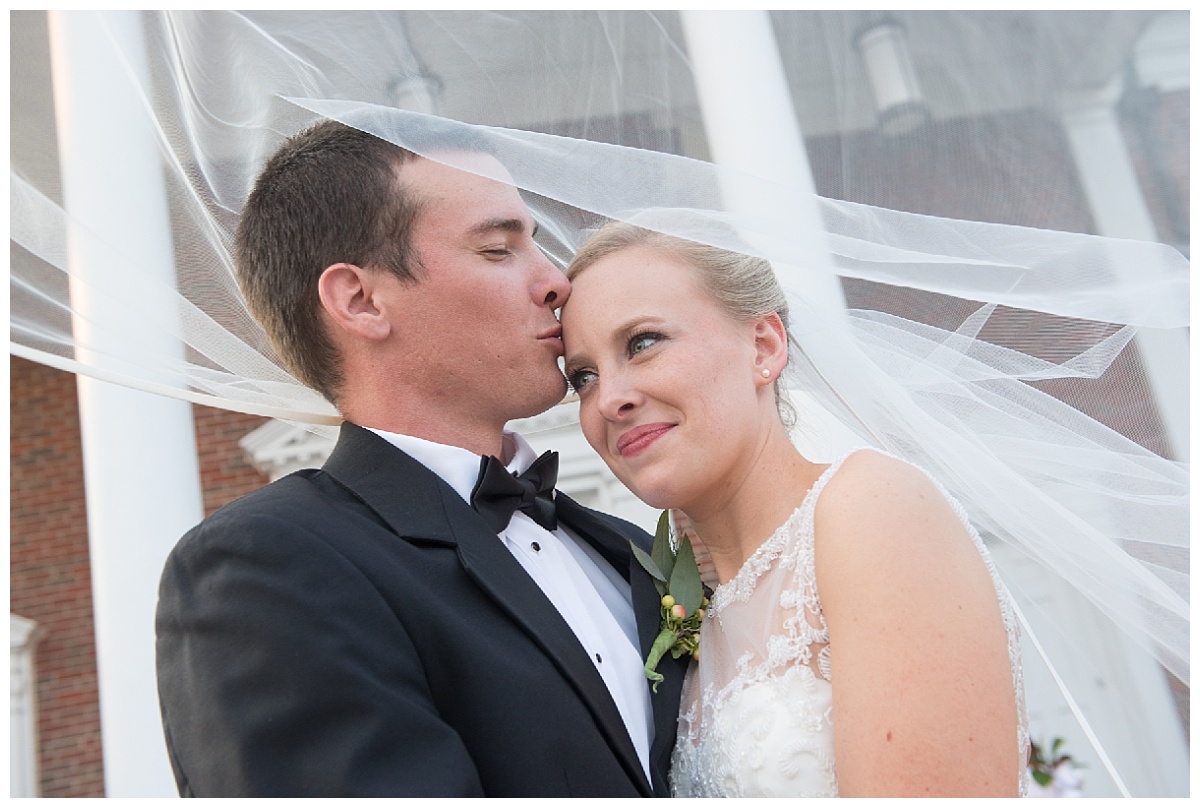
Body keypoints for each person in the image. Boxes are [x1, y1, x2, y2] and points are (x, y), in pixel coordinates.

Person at [154, 120, 688, 797]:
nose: (557, 281)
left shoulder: (631, 550)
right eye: (499, 248)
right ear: (361, 300)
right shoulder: (266, 566)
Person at [560, 222, 1028, 797]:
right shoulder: (672, 608)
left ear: (764, 346)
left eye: (643, 342)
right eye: (582, 377)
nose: (609, 399)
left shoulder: (870, 509)